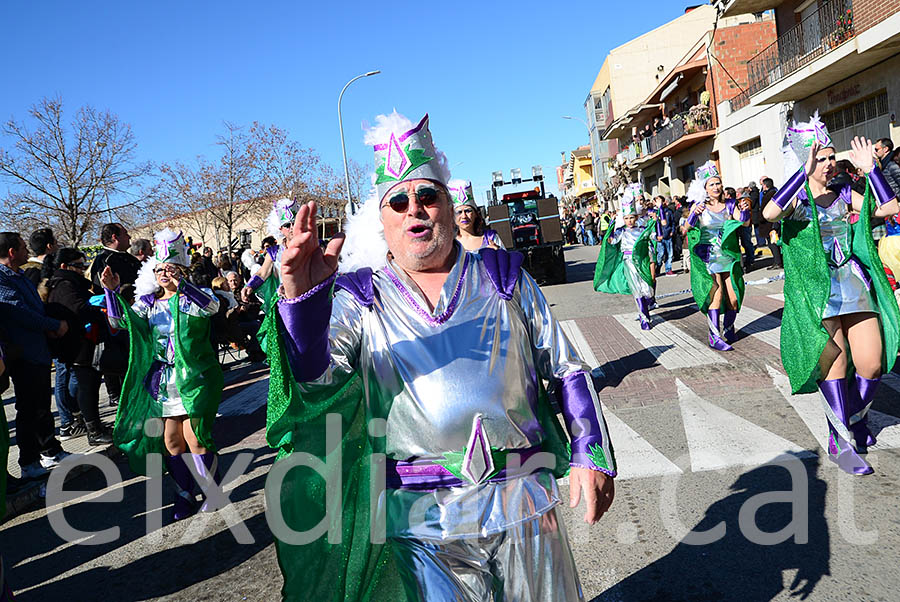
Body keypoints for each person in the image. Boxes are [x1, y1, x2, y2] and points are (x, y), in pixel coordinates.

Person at [267, 112, 616, 601]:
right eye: (399, 201)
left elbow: (566, 368)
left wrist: (591, 454)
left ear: (451, 207)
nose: (416, 209)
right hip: (419, 520)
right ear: (381, 219)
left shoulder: (504, 279)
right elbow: (317, 387)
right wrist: (302, 303)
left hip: (523, 502)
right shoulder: (361, 297)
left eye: (428, 195)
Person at [763, 115, 899, 476]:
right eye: (820, 158)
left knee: (871, 363)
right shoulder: (797, 201)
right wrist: (801, 172)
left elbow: (888, 209)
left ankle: (853, 419)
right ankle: (840, 442)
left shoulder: (843, 195)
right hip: (816, 293)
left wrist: (872, 171)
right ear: (804, 161)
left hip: (852, 285)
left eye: (829, 157)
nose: (828, 163)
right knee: (835, 367)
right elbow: (770, 212)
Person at [100, 229, 223, 519]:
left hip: (194, 378)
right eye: (159, 269)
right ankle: (184, 493)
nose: (163, 273)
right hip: (164, 383)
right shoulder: (148, 302)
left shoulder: (196, 297)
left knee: (196, 439)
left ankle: (213, 491)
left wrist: (183, 285)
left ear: (180, 270)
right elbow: (119, 322)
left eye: (169, 269)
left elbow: (213, 307)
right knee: (171, 442)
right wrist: (111, 291)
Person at [0, 232, 70, 480]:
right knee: (29, 409)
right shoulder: (2, 278)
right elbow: (20, 314)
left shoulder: (19, 275)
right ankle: (29, 462)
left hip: (38, 350)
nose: (26, 249)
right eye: (21, 246)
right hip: (23, 352)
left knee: (41, 406)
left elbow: (35, 307)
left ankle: (50, 450)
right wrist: (52, 324)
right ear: (11, 252)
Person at [45, 248, 113, 445]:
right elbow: (78, 310)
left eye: (84, 266)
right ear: (65, 266)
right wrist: (99, 309)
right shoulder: (64, 285)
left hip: (86, 342)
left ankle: (95, 425)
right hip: (77, 345)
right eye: (79, 266)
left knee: (90, 386)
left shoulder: (76, 283)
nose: (83, 270)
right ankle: (93, 430)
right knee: (86, 387)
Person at [683, 162, 751, 351]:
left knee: (734, 298)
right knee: (717, 295)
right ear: (704, 188)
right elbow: (686, 229)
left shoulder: (730, 204)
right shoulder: (699, 206)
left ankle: (729, 328)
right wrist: (692, 217)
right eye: (711, 184)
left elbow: (744, 224)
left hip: (728, 256)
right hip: (708, 257)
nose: (716, 187)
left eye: (718, 183)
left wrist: (745, 209)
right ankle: (714, 336)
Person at [594, 189, 657, 329]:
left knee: (647, 290)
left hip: (642, 261)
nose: (629, 221)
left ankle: (646, 309)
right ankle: (644, 318)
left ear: (636, 217)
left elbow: (652, 241)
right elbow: (612, 242)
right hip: (629, 263)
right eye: (626, 218)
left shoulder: (642, 229)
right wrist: (610, 228)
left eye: (632, 217)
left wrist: (654, 223)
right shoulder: (621, 232)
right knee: (637, 290)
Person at [241, 198, 300, 310]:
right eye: (287, 225)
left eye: (295, 223)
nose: (292, 227)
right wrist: (249, 286)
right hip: (285, 305)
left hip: (310, 301)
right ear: (281, 229)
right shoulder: (274, 252)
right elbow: (263, 273)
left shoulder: (311, 247)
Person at [450, 179, 503, 251]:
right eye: (459, 212)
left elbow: (506, 260)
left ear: (475, 214)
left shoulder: (491, 237)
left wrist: (498, 253)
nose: (464, 216)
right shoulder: (450, 245)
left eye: (468, 211)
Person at [757, 178, 783, 270]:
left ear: (765, 185)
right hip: (772, 223)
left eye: (762, 185)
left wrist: (761, 218)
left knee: (773, 243)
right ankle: (778, 261)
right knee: (773, 243)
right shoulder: (774, 192)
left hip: (771, 224)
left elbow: (766, 210)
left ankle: (778, 262)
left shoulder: (769, 195)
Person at [653, 195, 675, 275]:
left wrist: (672, 231)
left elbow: (672, 222)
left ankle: (668, 269)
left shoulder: (668, 211)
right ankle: (657, 267)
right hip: (659, 237)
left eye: (660, 200)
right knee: (661, 254)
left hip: (668, 235)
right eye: (657, 200)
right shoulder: (654, 213)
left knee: (669, 253)